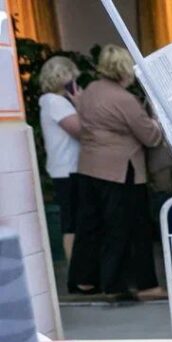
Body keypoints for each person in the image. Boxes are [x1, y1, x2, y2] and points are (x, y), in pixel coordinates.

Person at [68, 45, 164, 300]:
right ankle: (127, 285)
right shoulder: (124, 99)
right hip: (120, 170)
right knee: (127, 229)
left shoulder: (91, 90)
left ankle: (84, 281)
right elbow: (150, 136)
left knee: (90, 226)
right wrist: (156, 123)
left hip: (89, 166)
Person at [38, 56, 81, 265]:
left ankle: (77, 267)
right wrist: (80, 104)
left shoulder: (50, 102)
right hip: (68, 168)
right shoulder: (56, 102)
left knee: (72, 219)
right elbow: (80, 130)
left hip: (63, 167)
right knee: (73, 221)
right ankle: (76, 267)